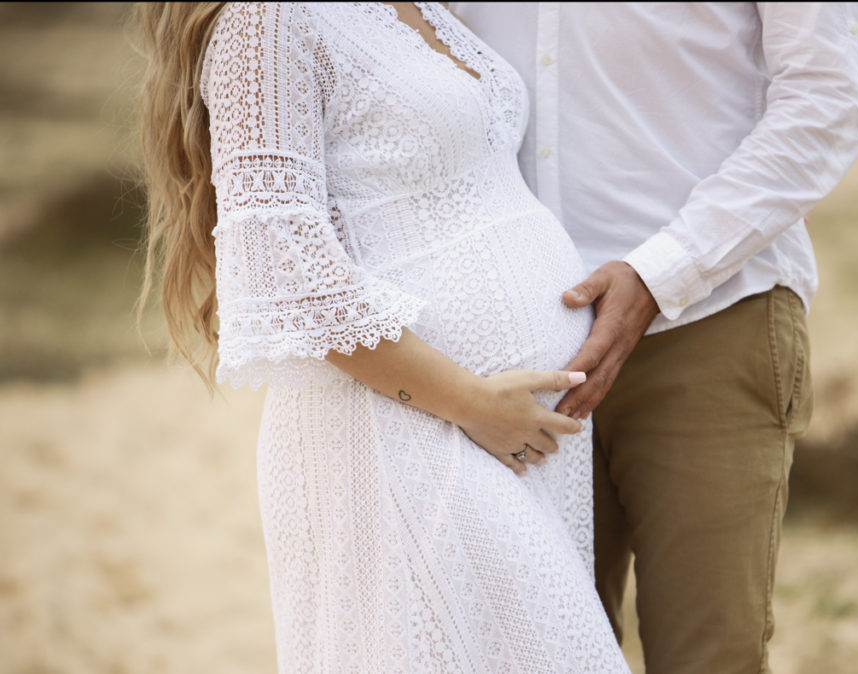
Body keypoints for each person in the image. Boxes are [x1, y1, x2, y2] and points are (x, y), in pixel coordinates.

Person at [133, 2, 632, 672]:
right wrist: (471, 403)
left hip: (503, 436)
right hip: (405, 428)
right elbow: (280, 261)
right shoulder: (267, 19)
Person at [453, 3, 858, 673]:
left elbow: (830, 97)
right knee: (526, 658)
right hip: (504, 353)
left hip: (709, 322)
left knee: (706, 657)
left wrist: (663, 271)